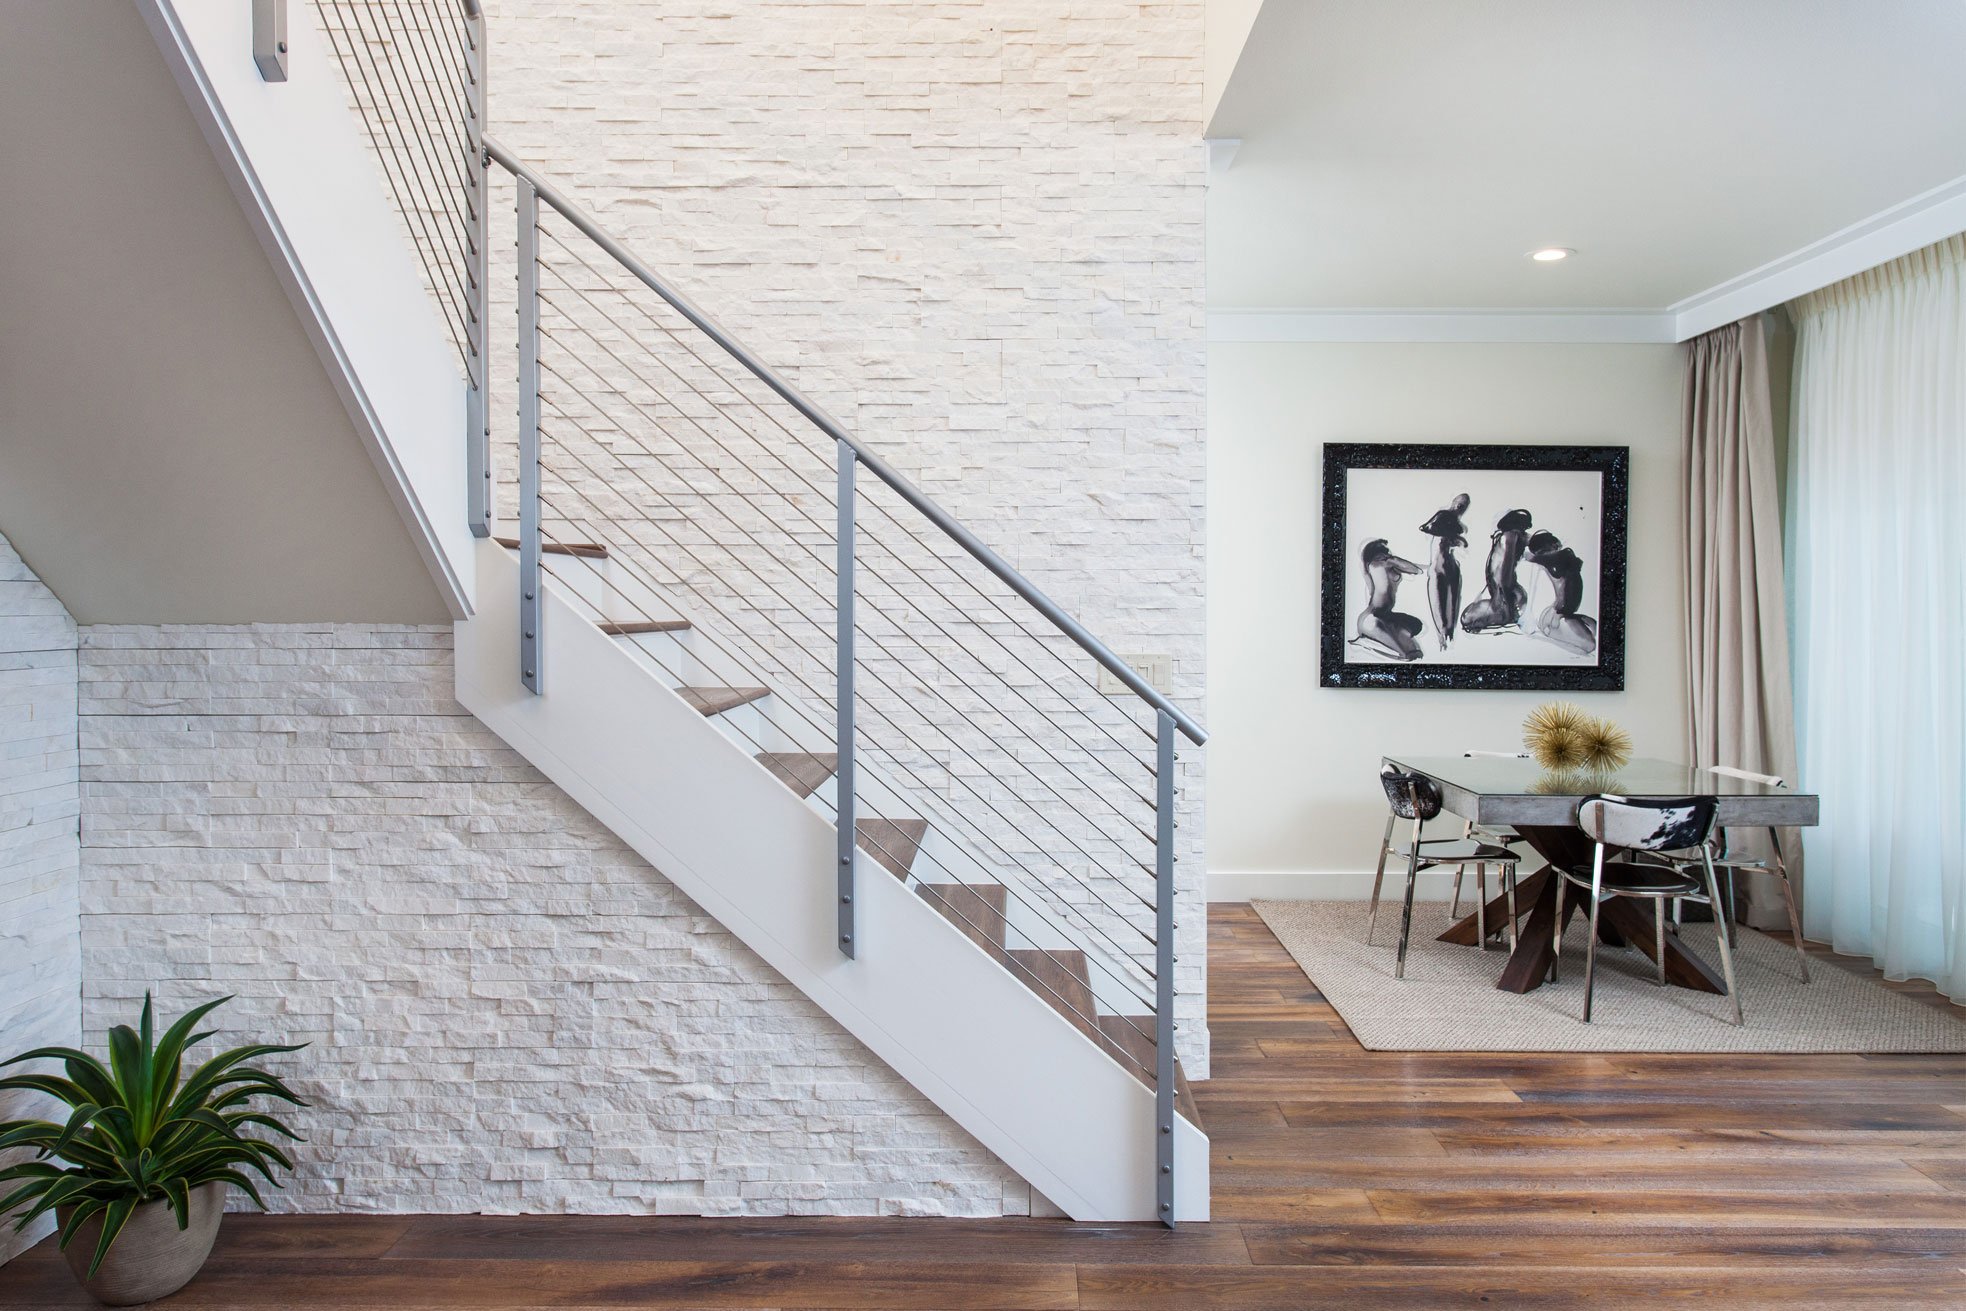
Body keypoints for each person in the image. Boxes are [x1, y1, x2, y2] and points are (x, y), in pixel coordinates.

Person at [1525, 529, 1598, 656]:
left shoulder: (1564, 556)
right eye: (1549, 547)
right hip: (1556, 617)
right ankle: (1554, 635)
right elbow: (1533, 557)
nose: (1555, 546)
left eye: (1554, 545)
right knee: (1590, 645)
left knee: (1596, 628)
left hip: (1561, 614)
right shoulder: (1558, 557)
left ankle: (1557, 632)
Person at [1350, 538, 1425, 661]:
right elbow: (1415, 570)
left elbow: (1416, 568)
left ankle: (1374, 642)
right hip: (1371, 619)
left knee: (1416, 627)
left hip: (1382, 617)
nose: (1389, 554)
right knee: (1409, 655)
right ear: (1380, 554)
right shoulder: (1383, 563)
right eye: (1387, 553)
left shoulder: (1376, 566)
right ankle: (1370, 644)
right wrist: (1392, 559)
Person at [1460, 508, 1532, 633]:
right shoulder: (1508, 537)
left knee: (1467, 618)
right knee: (1467, 618)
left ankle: (1506, 612)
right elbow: (1503, 576)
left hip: (1509, 595)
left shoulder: (1509, 537)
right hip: (1506, 594)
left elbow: (1504, 577)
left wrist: (1509, 607)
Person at [1418, 493, 1470, 652]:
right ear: (1454, 503)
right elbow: (1425, 527)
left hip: (1451, 566)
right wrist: (1455, 537)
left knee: (1452, 606)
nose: (1460, 508)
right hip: (1438, 569)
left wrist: (1457, 538)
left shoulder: (1456, 524)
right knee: (1440, 607)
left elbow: (1460, 542)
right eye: (1459, 504)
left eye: (1464, 506)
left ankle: (1449, 637)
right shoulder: (1443, 517)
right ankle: (1442, 640)